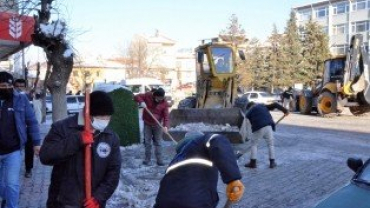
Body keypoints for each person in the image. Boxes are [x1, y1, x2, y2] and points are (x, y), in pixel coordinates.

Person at [39, 91, 122, 208]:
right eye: (101, 117)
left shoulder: (110, 137)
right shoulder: (62, 128)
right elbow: (46, 156)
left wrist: (98, 198)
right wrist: (76, 140)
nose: (105, 121)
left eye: (108, 117)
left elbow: (113, 172)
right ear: (87, 113)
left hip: (93, 202)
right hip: (64, 201)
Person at [154, 132, 244, 208]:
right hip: (195, 203)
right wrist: (233, 178)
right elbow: (217, 140)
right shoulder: (200, 142)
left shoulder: (174, 162)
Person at [0, 72, 41, 208]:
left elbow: (32, 121)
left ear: (12, 86)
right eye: (1, 86)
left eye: (7, 85)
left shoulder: (21, 99)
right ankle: (6, 198)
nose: (5, 88)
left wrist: (36, 143)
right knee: (1, 185)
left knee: (12, 184)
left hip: (13, 150)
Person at [244, 101, 289, 169]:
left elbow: (248, 124)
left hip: (259, 127)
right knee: (270, 144)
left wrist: (248, 135)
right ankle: (272, 163)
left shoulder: (249, 112)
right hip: (269, 126)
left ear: (249, 107)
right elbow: (275, 104)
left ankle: (252, 163)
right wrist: (285, 110)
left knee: (254, 144)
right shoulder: (263, 106)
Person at [134, 87, 169, 166]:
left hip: (158, 125)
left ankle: (159, 160)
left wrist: (165, 126)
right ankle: (147, 159)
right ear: (155, 95)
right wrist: (141, 101)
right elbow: (136, 96)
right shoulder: (148, 95)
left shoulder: (164, 103)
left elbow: (166, 116)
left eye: (161, 98)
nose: (160, 99)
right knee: (147, 142)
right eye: (158, 98)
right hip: (147, 124)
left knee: (158, 142)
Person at [13, 79, 36, 178]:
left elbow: (33, 115)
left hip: (27, 129)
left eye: (21, 86)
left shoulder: (29, 98)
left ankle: (28, 169)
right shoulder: (11, 98)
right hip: (15, 129)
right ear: (14, 87)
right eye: (17, 86)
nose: (19, 88)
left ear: (25, 87)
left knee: (29, 150)